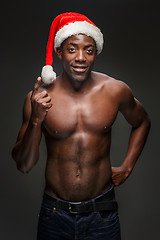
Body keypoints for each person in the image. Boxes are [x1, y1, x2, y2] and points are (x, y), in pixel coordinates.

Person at [12, 12, 150, 240]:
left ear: (95, 54)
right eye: (72, 48)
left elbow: (142, 121)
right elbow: (24, 164)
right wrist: (36, 120)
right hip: (54, 215)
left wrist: (127, 166)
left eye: (89, 50)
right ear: (59, 52)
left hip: (102, 213)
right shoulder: (37, 99)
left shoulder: (115, 90)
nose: (80, 57)